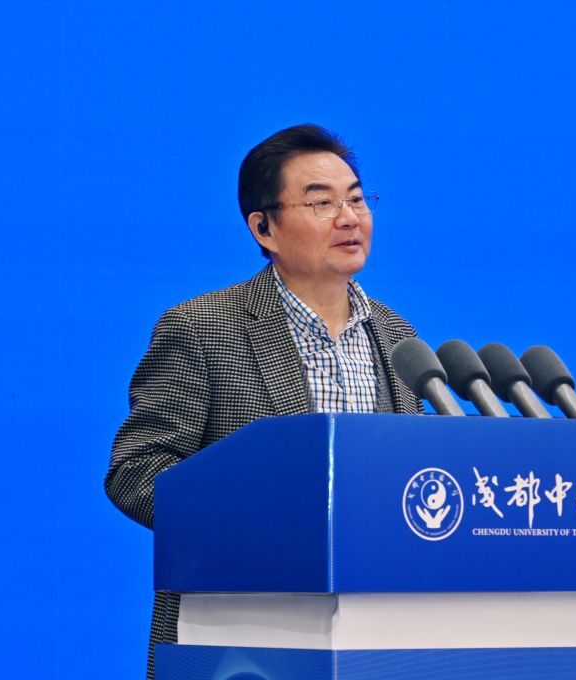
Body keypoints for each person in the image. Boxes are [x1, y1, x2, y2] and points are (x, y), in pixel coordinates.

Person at [104, 124, 424, 678]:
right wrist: (256, 526)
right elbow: (135, 471)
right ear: (264, 227)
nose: (349, 218)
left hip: (375, 639)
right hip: (240, 636)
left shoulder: (398, 336)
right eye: (321, 203)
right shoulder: (203, 328)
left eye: (356, 199)